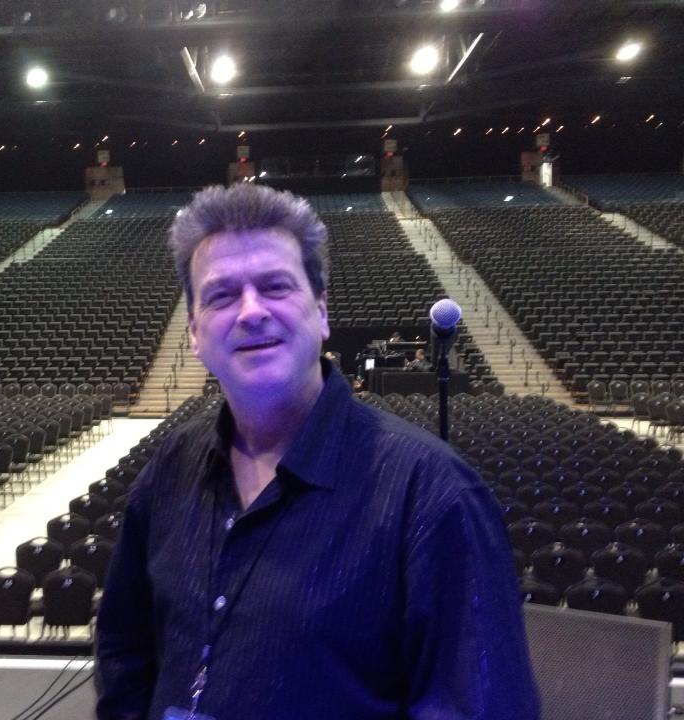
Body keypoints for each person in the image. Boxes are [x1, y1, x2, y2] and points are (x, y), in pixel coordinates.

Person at [96, 184, 539, 720]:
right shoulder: (170, 468)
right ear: (193, 331)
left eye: (275, 286)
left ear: (322, 310)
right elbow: (125, 652)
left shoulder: (432, 495)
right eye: (220, 295)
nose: (250, 311)